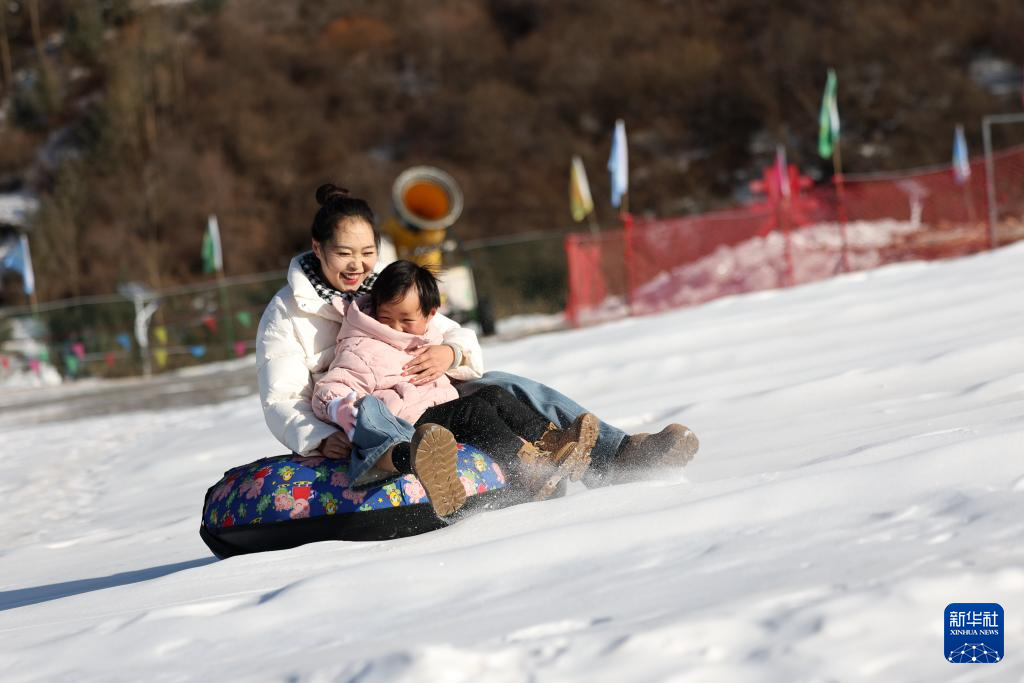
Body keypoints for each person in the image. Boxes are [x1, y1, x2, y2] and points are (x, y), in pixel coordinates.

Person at [256, 183, 698, 492]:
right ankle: (503, 469)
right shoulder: (287, 313)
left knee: (503, 385)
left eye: (367, 252)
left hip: (427, 390)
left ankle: (615, 454)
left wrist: (450, 352)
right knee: (413, 411)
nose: (357, 265)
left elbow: (449, 329)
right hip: (366, 414)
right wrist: (317, 437)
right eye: (344, 254)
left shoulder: (383, 287)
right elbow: (283, 397)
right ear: (318, 248)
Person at [311, 260, 598, 515]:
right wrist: (340, 408)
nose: (395, 327)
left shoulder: (429, 335)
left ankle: (552, 441)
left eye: (407, 320)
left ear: (430, 315)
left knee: (493, 394)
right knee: (471, 410)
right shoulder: (362, 346)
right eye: (386, 318)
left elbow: (465, 342)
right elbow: (332, 387)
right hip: (410, 424)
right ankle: (526, 468)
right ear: (375, 310)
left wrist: (450, 352)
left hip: (438, 406)